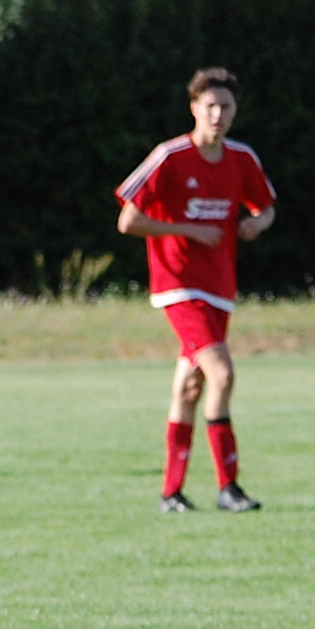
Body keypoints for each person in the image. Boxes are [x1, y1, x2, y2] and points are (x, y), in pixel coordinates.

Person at [116, 67, 276, 513]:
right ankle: (229, 487)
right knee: (222, 375)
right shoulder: (170, 157)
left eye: (226, 107)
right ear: (194, 109)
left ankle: (171, 493)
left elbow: (266, 208)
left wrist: (255, 224)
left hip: (220, 287)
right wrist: (187, 229)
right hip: (179, 286)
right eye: (210, 107)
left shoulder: (242, 158)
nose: (218, 115)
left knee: (190, 386)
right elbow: (128, 220)